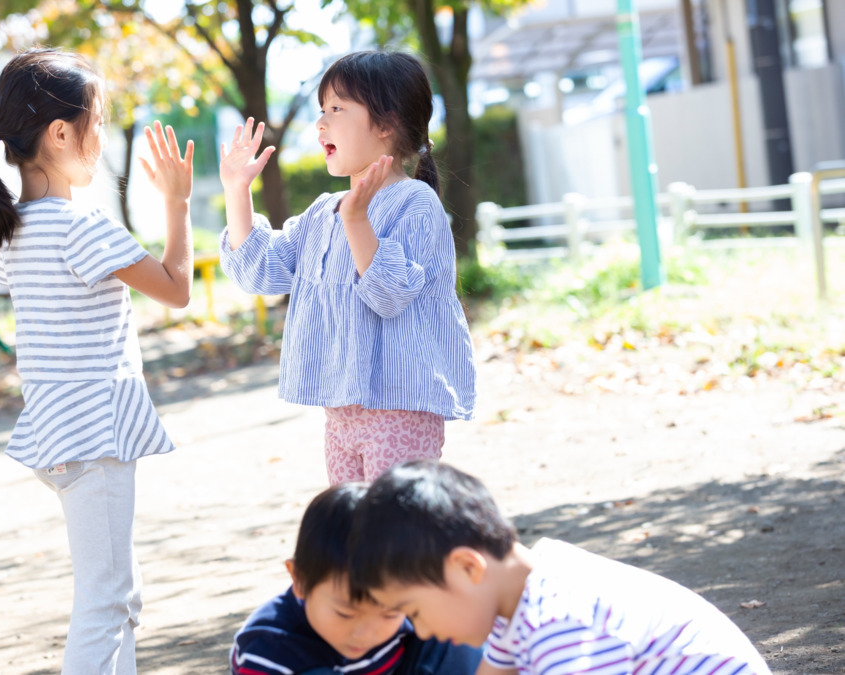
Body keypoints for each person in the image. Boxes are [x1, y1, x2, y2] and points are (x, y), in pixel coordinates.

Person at [0, 47, 194, 674]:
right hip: (93, 438)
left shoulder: (14, 228)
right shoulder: (81, 227)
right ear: (62, 132)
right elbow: (177, 289)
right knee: (105, 600)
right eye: (99, 121)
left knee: (120, 594)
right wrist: (176, 201)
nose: (102, 137)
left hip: (58, 433)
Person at [217, 50, 476, 485]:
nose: (321, 123)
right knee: (355, 535)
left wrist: (357, 221)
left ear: (386, 124)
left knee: (395, 534)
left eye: (337, 109)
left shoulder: (416, 203)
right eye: (322, 109)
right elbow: (260, 272)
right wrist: (236, 191)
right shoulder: (324, 211)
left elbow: (389, 294)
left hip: (401, 408)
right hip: (340, 413)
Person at [347, 461, 774, 675]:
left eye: (415, 610)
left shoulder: (560, 619)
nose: (419, 631)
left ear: (466, 567)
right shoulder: (519, 593)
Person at [230, 483, 482, 675]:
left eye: (389, 614)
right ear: (301, 580)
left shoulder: (407, 606)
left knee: (452, 637)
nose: (365, 633)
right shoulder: (269, 649)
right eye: (345, 614)